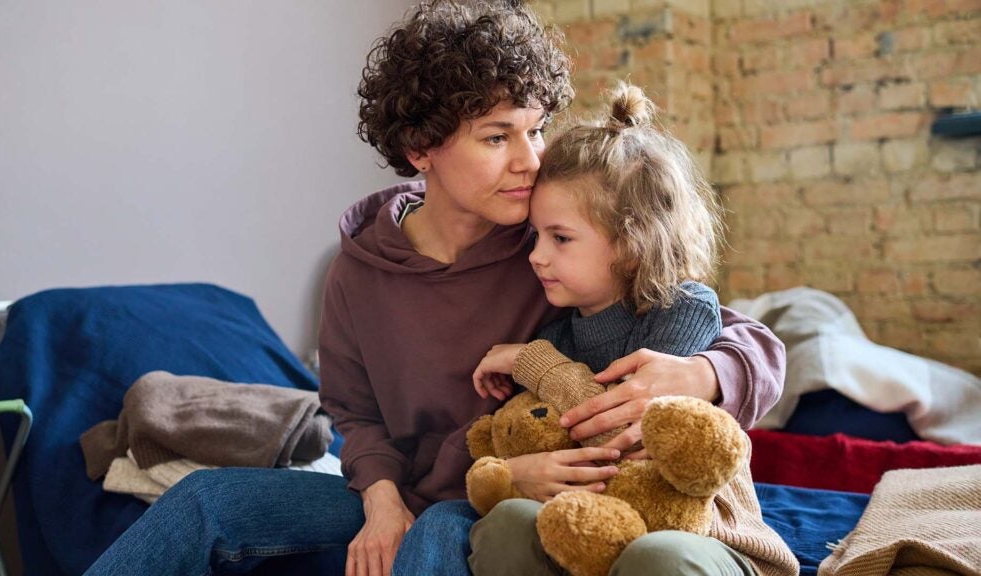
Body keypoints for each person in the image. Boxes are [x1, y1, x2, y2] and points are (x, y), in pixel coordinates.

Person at [83, 3, 786, 576]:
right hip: (417, 489)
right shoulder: (359, 270)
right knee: (205, 498)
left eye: (537, 129)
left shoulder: (551, 241)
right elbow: (354, 416)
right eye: (496, 137)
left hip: (495, 495)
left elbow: (725, 328)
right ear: (421, 149)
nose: (531, 159)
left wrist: (700, 374)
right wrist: (383, 499)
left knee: (438, 539)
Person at [465, 83, 799, 576]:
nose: (536, 256)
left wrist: (530, 362)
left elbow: (624, 432)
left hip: (700, 534)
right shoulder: (558, 336)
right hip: (590, 525)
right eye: (537, 237)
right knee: (505, 522)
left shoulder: (680, 308)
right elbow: (542, 440)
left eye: (561, 238)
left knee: (656, 555)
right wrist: (513, 474)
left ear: (631, 244)